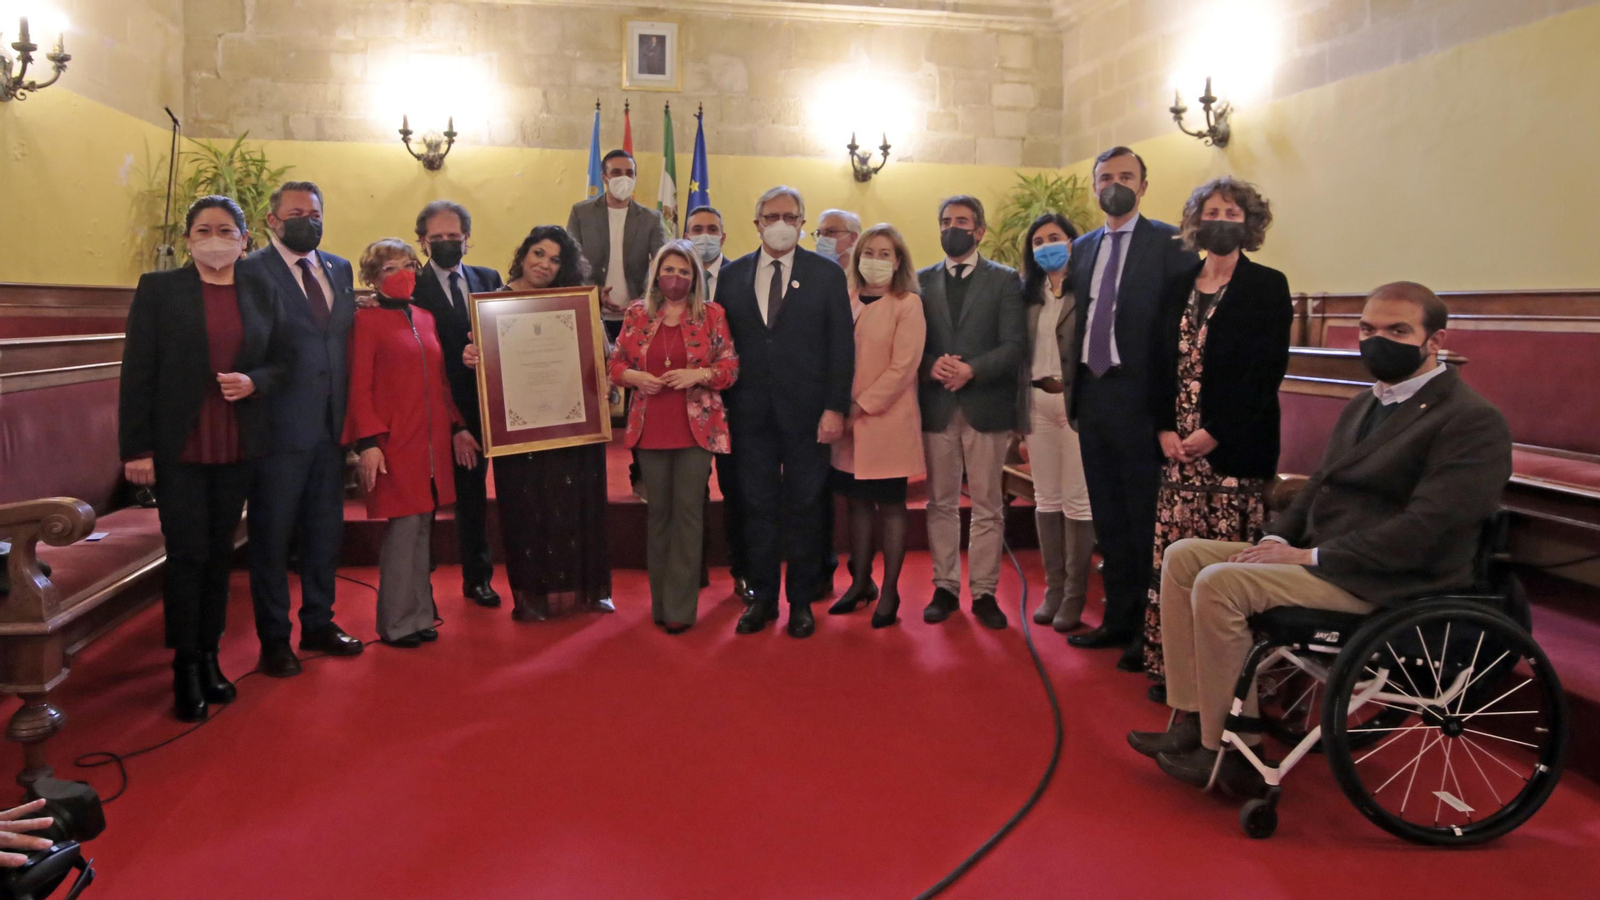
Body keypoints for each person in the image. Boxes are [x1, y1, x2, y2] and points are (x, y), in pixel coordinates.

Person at [1128, 282, 1513, 795]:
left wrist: (1306, 555)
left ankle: (1234, 748)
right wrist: (1270, 542)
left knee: (1221, 583)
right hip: (1327, 558)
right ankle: (1194, 721)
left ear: (1435, 339)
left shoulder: (1471, 420)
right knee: (1184, 557)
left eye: (1398, 330)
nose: (1378, 341)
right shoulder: (1364, 405)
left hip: (1390, 580)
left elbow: (1425, 530)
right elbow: (1314, 493)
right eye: (1368, 329)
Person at [119, 195, 293, 721]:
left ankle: (212, 656)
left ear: (244, 239)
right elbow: (138, 372)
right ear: (189, 238)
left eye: (224, 229)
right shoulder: (160, 289)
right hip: (180, 444)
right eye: (202, 229)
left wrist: (255, 381)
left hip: (238, 440)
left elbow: (284, 360)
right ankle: (185, 666)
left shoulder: (262, 287)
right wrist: (138, 450)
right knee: (188, 554)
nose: (213, 238)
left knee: (219, 553)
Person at [1142, 178, 1294, 701]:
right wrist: (1163, 427)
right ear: (1196, 221)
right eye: (1212, 210)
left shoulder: (1268, 285)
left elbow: (1265, 371)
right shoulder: (1177, 283)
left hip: (1232, 448)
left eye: (1232, 211)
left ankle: (1235, 679)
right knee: (1175, 563)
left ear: (1248, 223)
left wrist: (1215, 432)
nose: (1222, 218)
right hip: (1175, 450)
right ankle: (1176, 671)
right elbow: (1156, 363)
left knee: (1224, 566)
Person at [1065, 146, 1200, 668]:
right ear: (1094, 185)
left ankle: (1151, 634)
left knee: (1145, 518)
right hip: (1093, 393)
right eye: (1106, 177)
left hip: (1142, 397)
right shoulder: (1081, 247)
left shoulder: (1172, 243)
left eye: (1126, 176)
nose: (1115, 184)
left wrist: (1170, 411)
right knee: (1110, 518)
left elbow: (1179, 331)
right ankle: (1117, 620)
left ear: (1143, 186)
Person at [719, 186, 855, 638]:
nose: (781, 223)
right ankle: (761, 600)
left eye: (790, 216)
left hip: (809, 415)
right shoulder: (732, 275)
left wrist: (835, 407)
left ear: (802, 222)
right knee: (755, 506)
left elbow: (841, 348)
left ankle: (800, 601)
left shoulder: (826, 275)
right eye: (771, 215)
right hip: (749, 415)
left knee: (805, 507)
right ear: (757, 223)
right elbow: (725, 346)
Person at [463, 226, 616, 621]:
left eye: (554, 259)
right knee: (525, 508)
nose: (544, 264)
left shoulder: (573, 302)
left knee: (578, 503)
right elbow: (484, 369)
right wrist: (473, 356)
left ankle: (588, 589)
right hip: (520, 431)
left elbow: (601, 357)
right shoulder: (493, 305)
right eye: (538, 253)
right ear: (523, 254)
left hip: (572, 424)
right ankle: (531, 595)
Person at [243, 180, 364, 678]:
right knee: (271, 538)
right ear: (272, 220)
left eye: (314, 213)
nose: (307, 221)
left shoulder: (338, 267)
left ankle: (319, 621)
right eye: (296, 213)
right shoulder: (250, 271)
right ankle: (274, 639)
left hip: (331, 429)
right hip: (276, 429)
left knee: (324, 532)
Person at [345, 239, 476, 648]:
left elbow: (439, 381)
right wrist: (367, 441)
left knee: (423, 526)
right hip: (394, 440)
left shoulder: (424, 316)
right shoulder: (363, 322)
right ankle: (396, 621)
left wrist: (457, 427)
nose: (401, 273)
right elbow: (359, 386)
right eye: (389, 268)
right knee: (404, 529)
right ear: (371, 278)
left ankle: (420, 615)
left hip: (432, 438)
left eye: (407, 265)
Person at [608, 240, 740, 632]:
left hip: (697, 431)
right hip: (650, 428)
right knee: (658, 516)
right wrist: (632, 377)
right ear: (656, 275)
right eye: (669, 270)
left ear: (695, 277)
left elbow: (730, 367)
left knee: (688, 516)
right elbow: (615, 362)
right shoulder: (636, 314)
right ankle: (660, 603)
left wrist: (697, 375)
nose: (675, 278)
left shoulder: (712, 315)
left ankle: (682, 609)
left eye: (684, 272)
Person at [917, 195, 1026, 630]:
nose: (952, 228)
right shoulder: (920, 281)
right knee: (940, 503)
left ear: (980, 231)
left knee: (987, 505)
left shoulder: (1004, 280)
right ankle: (944, 586)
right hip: (937, 405)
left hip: (986, 405)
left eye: (962, 221)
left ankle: (984, 592)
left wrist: (972, 370)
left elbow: (1015, 345)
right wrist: (931, 365)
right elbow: (912, 345)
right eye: (945, 221)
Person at [825, 224, 925, 628]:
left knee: (891, 508)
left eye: (885, 254)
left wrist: (859, 406)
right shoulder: (844, 298)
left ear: (898, 261)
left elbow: (903, 368)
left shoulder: (908, 304)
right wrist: (837, 407)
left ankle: (890, 592)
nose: (876, 260)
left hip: (885, 423)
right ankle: (860, 582)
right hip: (844, 426)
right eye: (869, 252)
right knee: (856, 504)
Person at [407, 200, 504, 609]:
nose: (447, 243)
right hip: (433, 411)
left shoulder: (489, 278)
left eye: (454, 236)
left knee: (472, 498)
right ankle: (417, 589)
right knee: (424, 502)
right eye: (438, 238)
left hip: (485, 409)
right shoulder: (409, 286)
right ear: (423, 241)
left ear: (467, 238)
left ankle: (477, 578)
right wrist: (453, 425)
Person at [1017, 212, 1095, 633]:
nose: (1046, 245)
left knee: (1078, 500)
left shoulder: (1089, 292)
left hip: (1075, 402)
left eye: (1055, 237)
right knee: (1045, 497)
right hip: (1035, 401)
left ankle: (1074, 596)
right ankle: (1053, 587)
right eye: (1038, 241)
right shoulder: (1027, 295)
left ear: (1072, 242)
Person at [686, 204, 753, 604]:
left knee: (737, 492)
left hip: (734, 405)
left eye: (712, 229)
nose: (704, 236)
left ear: (724, 236)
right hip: (683, 406)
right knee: (689, 493)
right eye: (696, 229)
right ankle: (690, 570)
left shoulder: (743, 276)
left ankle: (742, 571)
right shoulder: (668, 280)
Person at [567, 149, 671, 341]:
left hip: (637, 316)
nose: (624, 178)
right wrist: (595, 293)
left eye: (629, 173)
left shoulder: (651, 219)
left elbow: (664, 264)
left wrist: (643, 299)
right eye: (616, 172)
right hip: (591, 313)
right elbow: (569, 264)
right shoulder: (581, 213)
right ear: (604, 178)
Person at [810, 208, 860, 595]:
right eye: (819, 231)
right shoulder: (810, 276)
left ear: (853, 239)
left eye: (832, 232)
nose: (823, 238)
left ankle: (862, 576)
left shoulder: (868, 285)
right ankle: (820, 570)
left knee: (861, 495)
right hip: (816, 401)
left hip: (864, 403)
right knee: (818, 491)